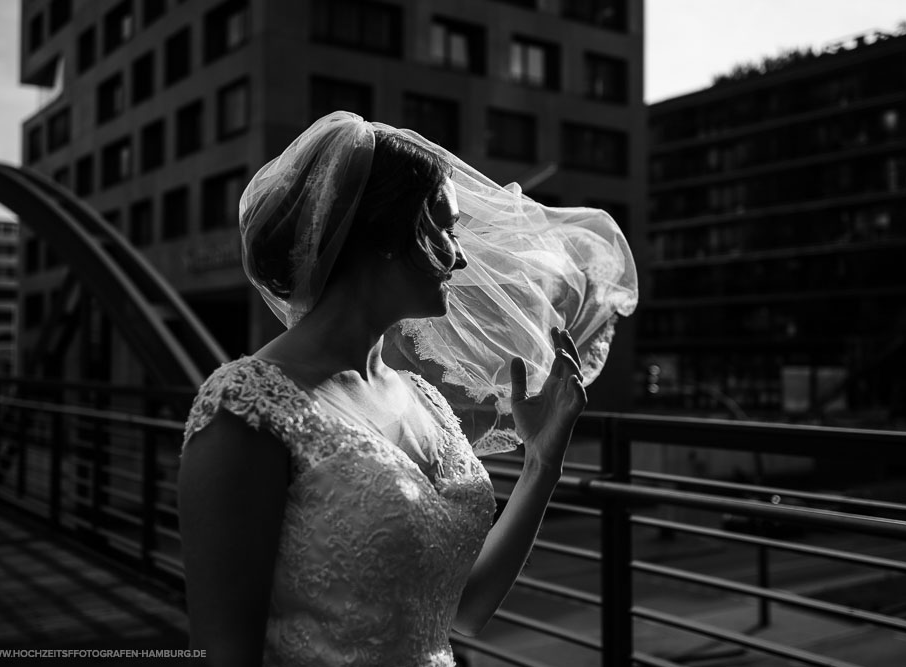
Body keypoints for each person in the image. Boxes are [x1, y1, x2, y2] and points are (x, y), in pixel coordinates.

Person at [177, 111, 637, 666]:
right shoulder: (248, 407)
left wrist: (543, 461)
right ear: (387, 236)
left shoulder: (425, 401)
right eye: (445, 227)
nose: (461, 256)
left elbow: (464, 609)